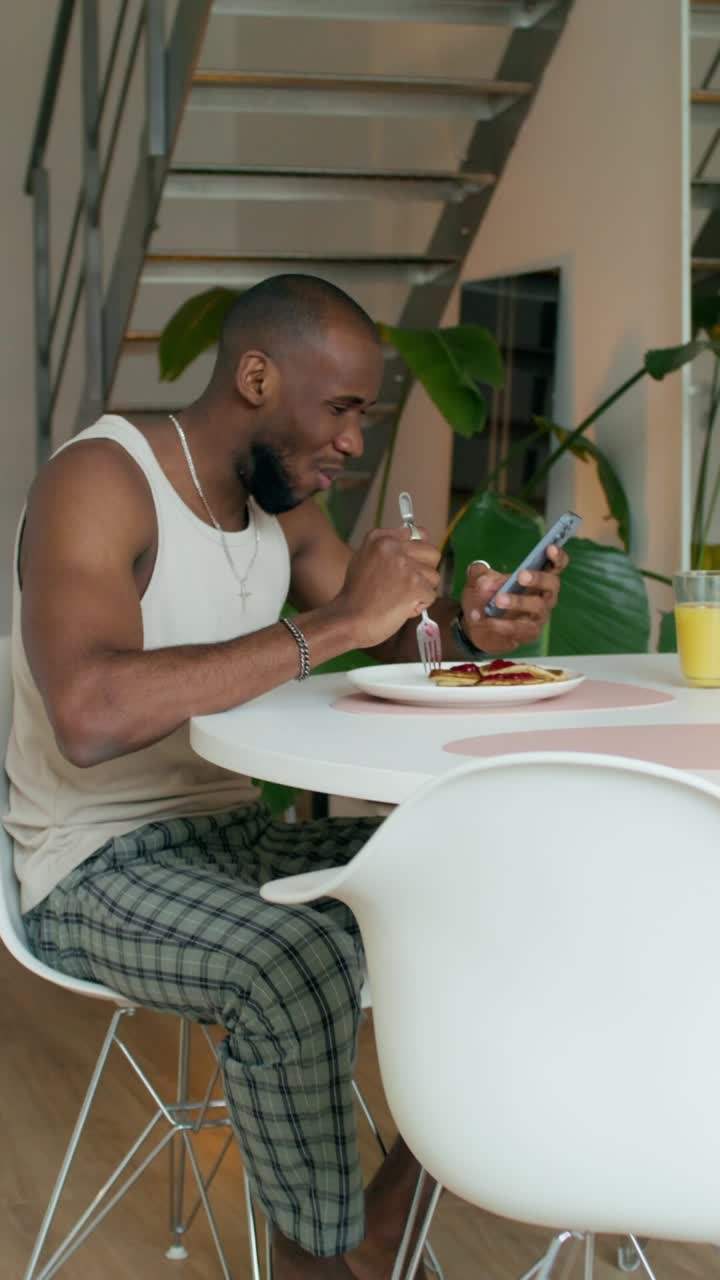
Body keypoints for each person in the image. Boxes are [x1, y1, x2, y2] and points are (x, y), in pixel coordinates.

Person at [4, 274, 567, 1279]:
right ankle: (318, 1263)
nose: (354, 441)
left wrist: (472, 628)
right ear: (258, 375)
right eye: (342, 408)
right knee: (293, 958)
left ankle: (379, 1233)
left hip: (237, 839)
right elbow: (88, 713)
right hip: (94, 863)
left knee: (514, 872)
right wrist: (336, 623)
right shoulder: (100, 478)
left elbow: (398, 641)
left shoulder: (284, 514)